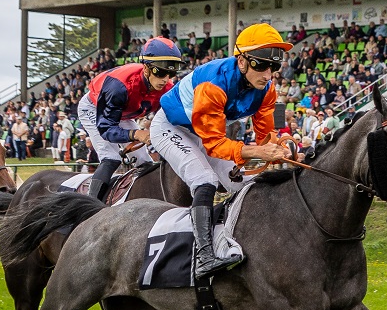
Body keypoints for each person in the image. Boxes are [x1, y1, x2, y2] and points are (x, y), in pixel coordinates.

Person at [150, 23, 291, 279]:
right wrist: (259, 150)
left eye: (274, 66)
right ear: (242, 61)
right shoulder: (214, 83)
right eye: (261, 65)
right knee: (205, 180)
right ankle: (204, 256)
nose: (268, 74)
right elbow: (214, 144)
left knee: (248, 185)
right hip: (172, 128)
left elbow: (267, 135)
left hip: (205, 130)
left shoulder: (267, 89)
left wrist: (282, 146)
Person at [78, 38, 182, 200]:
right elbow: (106, 129)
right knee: (111, 157)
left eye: (171, 73)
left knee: (144, 160)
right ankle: (89, 206)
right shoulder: (118, 86)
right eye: (160, 72)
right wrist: (137, 134)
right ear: (146, 68)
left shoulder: (168, 88)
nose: (165, 79)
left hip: (124, 111)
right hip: (95, 107)